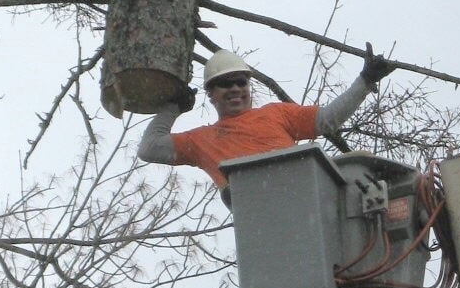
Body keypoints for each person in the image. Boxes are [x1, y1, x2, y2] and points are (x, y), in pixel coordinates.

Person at [137, 45, 394, 191]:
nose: (235, 88)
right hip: (260, 214)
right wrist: (174, 107)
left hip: (306, 195)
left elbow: (327, 120)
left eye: (241, 82)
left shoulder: (277, 113)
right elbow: (149, 149)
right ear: (211, 95)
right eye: (226, 84)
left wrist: (365, 81)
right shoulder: (202, 140)